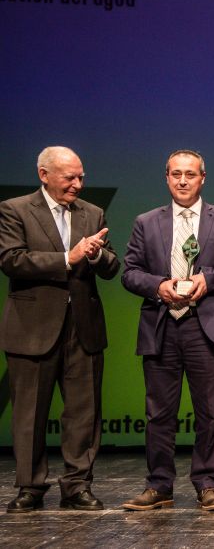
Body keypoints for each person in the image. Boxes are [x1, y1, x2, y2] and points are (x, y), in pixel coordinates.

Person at [120, 149, 214, 512]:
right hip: (161, 324)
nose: (182, 180)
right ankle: (159, 485)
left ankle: (207, 484)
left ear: (202, 178)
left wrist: (208, 280)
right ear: (166, 177)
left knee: (209, 411)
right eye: (176, 174)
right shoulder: (146, 222)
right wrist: (158, 285)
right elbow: (129, 273)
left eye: (190, 174)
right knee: (159, 413)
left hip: (206, 326)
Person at [0, 146, 119, 513]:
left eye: (81, 177)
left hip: (83, 327)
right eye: (69, 177)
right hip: (33, 326)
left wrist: (96, 255)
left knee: (84, 412)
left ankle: (77, 486)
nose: (77, 184)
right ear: (44, 175)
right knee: (30, 412)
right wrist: (68, 258)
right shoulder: (15, 210)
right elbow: (11, 259)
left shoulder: (92, 213)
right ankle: (30, 486)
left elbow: (112, 265)